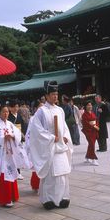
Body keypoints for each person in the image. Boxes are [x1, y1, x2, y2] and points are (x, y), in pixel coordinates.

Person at [29, 80, 73, 210]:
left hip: (60, 147)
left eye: (56, 93)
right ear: (47, 96)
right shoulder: (41, 111)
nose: (55, 96)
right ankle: (48, 199)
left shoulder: (60, 110)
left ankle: (63, 197)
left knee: (63, 174)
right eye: (53, 94)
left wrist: (65, 137)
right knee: (50, 177)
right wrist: (51, 138)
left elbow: (64, 127)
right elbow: (36, 131)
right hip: (50, 148)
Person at [0, 105, 28, 207]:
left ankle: (12, 196)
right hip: (0, 155)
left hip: (10, 153)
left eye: (7, 112)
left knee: (11, 172)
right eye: (4, 112)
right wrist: (2, 138)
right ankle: (4, 199)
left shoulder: (10, 124)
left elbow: (18, 134)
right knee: (3, 175)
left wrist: (13, 136)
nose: (6, 114)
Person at [25, 101, 44, 192]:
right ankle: (36, 185)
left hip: (45, 144)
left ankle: (44, 185)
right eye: (40, 107)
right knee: (36, 166)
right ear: (36, 108)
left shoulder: (46, 117)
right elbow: (29, 132)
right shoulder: (33, 119)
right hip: (36, 144)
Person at [8, 99, 27, 180]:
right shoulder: (9, 117)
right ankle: (14, 171)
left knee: (18, 155)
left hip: (19, 137)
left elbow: (23, 126)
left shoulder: (19, 116)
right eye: (14, 107)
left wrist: (23, 134)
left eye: (17, 106)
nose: (16, 108)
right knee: (13, 155)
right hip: (12, 138)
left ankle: (18, 172)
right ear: (10, 108)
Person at [81, 101, 99, 165]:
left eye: (91, 105)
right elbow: (85, 124)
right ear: (85, 106)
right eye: (88, 105)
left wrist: (96, 126)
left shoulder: (92, 113)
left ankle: (87, 157)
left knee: (91, 144)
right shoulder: (84, 115)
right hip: (88, 131)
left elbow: (96, 120)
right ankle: (93, 159)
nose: (90, 106)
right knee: (92, 144)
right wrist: (94, 126)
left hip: (94, 131)